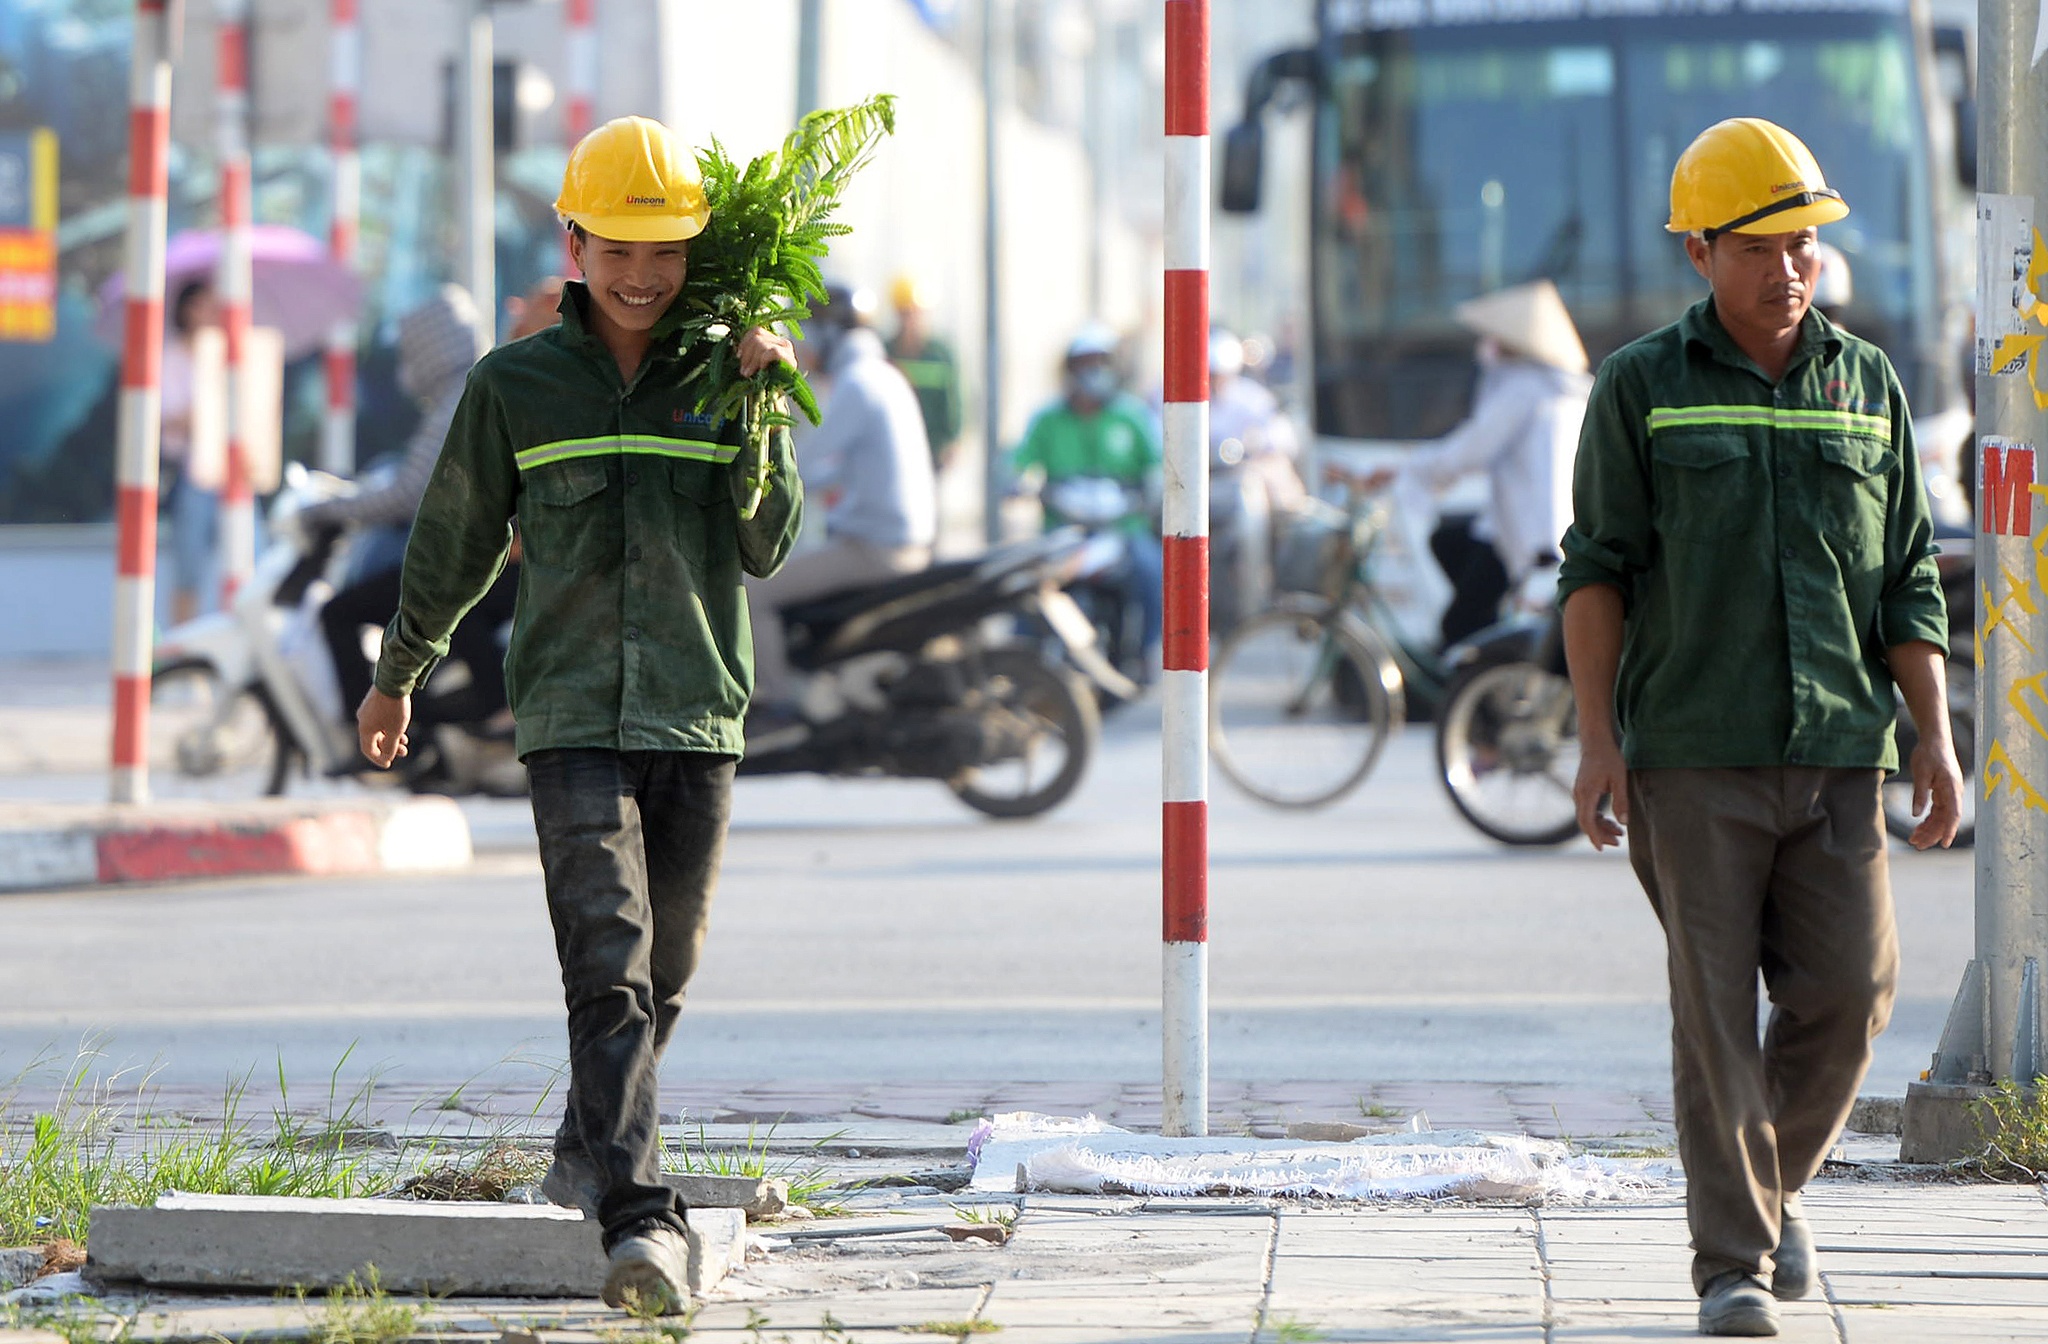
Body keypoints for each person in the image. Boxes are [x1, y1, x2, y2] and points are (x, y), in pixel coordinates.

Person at [354, 115, 804, 1316]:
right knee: (604, 963)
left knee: (666, 971)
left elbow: (763, 546)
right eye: (618, 250)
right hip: (565, 713)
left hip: (698, 708)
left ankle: (582, 1148)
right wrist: (400, 673)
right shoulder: (513, 386)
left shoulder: (728, 373)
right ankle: (637, 1221)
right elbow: (451, 539)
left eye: (665, 252)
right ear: (574, 240)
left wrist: (760, 406)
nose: (643, 276)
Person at [1558, 118, 1961, 1338]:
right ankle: (1731, 1265)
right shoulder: (1639, 386)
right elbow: (1596, 572)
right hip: (1691, 752)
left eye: (1803, 245)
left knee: (1853, 993)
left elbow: (1905, 579)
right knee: (1711, 1016)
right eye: (1758, 247)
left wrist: (1933, 737)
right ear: (1697, 252)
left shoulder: (1865, 384)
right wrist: (1595, 740)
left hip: (1842, 748)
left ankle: (1766, 1183)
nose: (1788, 268)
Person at [306, 286, 512, 742]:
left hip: (475, 557)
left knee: (340, 612)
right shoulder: (478, 386)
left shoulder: (457, 402)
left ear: (427, 349)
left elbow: (408, 494)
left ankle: (372, 731)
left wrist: (328, 508)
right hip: (497, 554)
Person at [1355, 280, 1592, 649]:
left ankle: (1483, 692)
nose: (1487, 349)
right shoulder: (1557, 387)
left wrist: (1405, 469)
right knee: (1447, 541)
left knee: (1458, 627)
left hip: (1526, 531)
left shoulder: (1523, 388)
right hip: (1523, 525)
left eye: (1495, 340)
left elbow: (1470, 450)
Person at [745, 281, 936, 719]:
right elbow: (835, 468)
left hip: (874, 549)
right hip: (899, 542)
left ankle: (778, 698)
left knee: (754, 590)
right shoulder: (883, 375)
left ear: (829, 334)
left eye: (806, 331)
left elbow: (805, 464)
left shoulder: (857, 384)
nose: (803, 344)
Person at [1012, 326, 1163, 667]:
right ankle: (1020, 664)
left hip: (1124, 528)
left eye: (1101, 362)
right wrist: (1014, 481)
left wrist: (1152, 492)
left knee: (1153, 572)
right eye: (1085, 363)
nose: (1093, 372)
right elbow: (1018, 461)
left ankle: (1147, 653)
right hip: (1065, 532)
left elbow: (1157, 463)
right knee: (1026, 587)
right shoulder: (1048, 419)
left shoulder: (1133, 416)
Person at [1207, 327, 1305, 628]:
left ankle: (1279, 582)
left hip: (1244, 480)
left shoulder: (1252, 398)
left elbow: (1283, 437)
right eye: (1210, 373)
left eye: (1220, 374)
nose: (1215, 381)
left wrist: (1255, 444)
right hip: (1204, 485)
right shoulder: (1179, 398)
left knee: (1281, 510)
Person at [159, 279, 223, 627]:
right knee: (189, 566)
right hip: (190, 470)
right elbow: (165, 416)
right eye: (201, 305)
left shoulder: (227, 354)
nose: (208, 313)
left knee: (248, 558)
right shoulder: (171, 356)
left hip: (229, 472)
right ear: (185, 309)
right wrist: (207, 407)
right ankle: (182, 644)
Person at [885, 273, 963, 468]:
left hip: (933, 447)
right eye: (905, 313)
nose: (910, 319)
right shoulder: (887, 351)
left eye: (914, 312)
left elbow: (955, 398)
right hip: (896, 445)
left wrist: (953, 440)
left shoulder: (940, 353)